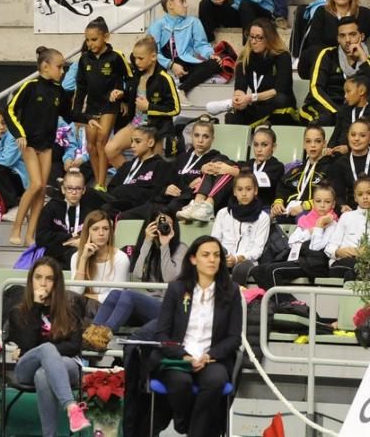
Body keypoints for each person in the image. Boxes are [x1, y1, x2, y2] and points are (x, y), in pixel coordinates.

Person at [154, 236, 243, 437]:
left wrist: (210, 355)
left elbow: (233, 337)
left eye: (216, 255)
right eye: (206, 255)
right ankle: (183, 422)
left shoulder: (231, 291)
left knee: (216, 380)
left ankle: (195, 433)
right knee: (180, 382)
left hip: (212, 359)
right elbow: (162, 334)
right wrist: (183, 355)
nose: (212, 260)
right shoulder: (177, 289)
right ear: (193, 259)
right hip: (179, 358)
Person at [6, 258, 89, 436]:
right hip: (27, 368)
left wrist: (46, 351)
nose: (43, 283)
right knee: (46, 350)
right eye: (38, 277)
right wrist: (36, 307)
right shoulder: (18, 312)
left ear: (56, 283)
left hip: (67, 366)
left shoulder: (69, 311)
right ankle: (72, 407)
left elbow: (74, 346)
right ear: (31, 280)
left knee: (43, 373)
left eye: (49, 278)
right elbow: (28, 348)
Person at [82, 209, 186, 351]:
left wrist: (165, 246)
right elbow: (137, 275)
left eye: (168, 224)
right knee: (115, 294)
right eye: (158, 224)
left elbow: (170, 278)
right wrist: (147, 242)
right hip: (147, 306)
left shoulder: (181, 249)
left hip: (167, 307)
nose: (163, 227)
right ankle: (91, 336)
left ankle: (103, 336)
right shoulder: (149, 248)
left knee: (128, 294)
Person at [6, 48, 71, 247]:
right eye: (59, 67)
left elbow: (69, 114)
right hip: (29, 143)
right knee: (35, 184)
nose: (62, 71)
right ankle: (17, 228)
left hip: (46, 144)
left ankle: (30, 234)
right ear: (45, 66)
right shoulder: (30, 86)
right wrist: (20, 134)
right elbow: (10, 111)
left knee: (42, 189)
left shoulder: (58, 90)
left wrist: (89, 119)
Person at [71, 17, 132, 190]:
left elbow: (129, 79)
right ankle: (99, 181)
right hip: (92, 106)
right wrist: (77, 111)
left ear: (106, 37)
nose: (90, 43)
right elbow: (81, 87)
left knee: (101, 141)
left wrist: (123, 97)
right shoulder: (84, 60)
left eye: (94, 39)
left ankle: (101, 182)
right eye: (87, 40)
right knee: (90, 145)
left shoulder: (116, 57)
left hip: (109, 105)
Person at [104, 36, 181, 166]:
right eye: (135, 58)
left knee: (154, 165)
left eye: (141, 58)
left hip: (156, 129)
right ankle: (129, 177)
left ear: (153, 57)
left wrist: (149, 107)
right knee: (110, 149)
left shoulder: (164, 78)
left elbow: (175, 109)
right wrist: (121, 94)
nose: (137, 62)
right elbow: (134, 95)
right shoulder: (137, 74)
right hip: (136, 124)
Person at [301, 16, 370, 125]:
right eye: (342, 36)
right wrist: (338, 112)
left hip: (351, 108)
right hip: (321, 106)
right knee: (326, 120)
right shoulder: (327, 55)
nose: (347, 40)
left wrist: (363, 57)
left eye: (352, 35)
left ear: (361, 36)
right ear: (338, 39)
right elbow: (316, 88)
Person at [148, 0, 220, 99]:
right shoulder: (158, 25)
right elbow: (153, 52)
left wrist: (210, 54)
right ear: (170, 4)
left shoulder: (193, 22)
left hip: (186, 66)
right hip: (165, 66)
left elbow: (201, 44)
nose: (186, 5)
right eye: (182, 1)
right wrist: (171, 65)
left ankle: (181, 90)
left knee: (214, 64)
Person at [221, 18, 295, 126]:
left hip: (277, 103)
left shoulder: (282, 56)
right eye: (251, 36)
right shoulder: (245, 58)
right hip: (257, 105)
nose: (254, 41)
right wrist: (239, 98)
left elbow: (280, 89)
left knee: (281, 99)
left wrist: (251, 97)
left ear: (269, 38)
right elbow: (240, 87)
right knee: (233, 116)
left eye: (259, 38)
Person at [210, 173, 271, 284]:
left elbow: (257, 249)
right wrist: (223, 257)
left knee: (240, 268)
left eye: (248, 189)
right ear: (234, 192)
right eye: (239, 189)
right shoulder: (223, 213)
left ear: (255, 191)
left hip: (246, 261)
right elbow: (215, 240)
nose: (244, 194)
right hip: (223, 257)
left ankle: (234, 298)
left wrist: (237, 259)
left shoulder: (263, 217)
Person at [326, 119, 370, 208]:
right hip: (352, 210)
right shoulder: (340, 163)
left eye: (362, 135)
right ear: (348, 137)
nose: (356, 139)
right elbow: (339, 195)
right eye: (353, 135)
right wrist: (343, 206)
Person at [70, 210, 131, 306]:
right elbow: (75, 292)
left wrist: (86, 297)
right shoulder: (77, 257)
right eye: (95, 229)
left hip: (109, 308)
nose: (101, 233)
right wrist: (83, 259)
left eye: (105, 229)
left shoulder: (121, 258)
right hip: (83, 308)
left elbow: (116, 295)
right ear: (87, 232)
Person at [272, 125, 332, 221]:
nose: (313, 145)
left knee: (301, 218)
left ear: (324, 144)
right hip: (289, 210)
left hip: (313, 213)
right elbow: (282, 185)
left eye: (318, 141)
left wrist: (304, 206)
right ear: (304, 144)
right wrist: (278, 203)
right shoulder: (297, 169)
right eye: (308, 141)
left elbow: (330, 197)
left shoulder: (330, 169)